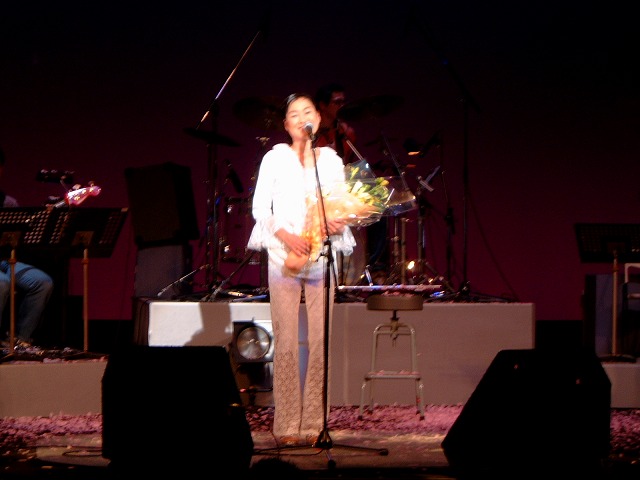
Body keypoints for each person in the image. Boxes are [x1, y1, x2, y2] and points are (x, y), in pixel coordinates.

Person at [247, 93, 355, 446]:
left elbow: (341, 204)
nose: (301, 118)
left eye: (307, 112)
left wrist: (339, 221)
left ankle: (314, 422)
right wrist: (285, 235)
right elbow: (260, 208)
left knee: (321, 340)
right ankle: (287, 424)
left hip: (321, 255)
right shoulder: (274, 158)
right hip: (284, 256)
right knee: (286, 340)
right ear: (285, 124)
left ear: (318, 120)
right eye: (293, 113)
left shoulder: (331, 161)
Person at [0, 146, 54, 351]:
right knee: (2, 283)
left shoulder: (8, 202)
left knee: (42, 282)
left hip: (4, 260)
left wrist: (41, 221)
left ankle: (19, 340)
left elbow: (21, 238)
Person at [314, 83, 357, 164]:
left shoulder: (347, 133)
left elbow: (348, 165)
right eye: (337, 102)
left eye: (343, 102)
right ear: (322, 105)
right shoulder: (309, 133)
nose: (342, 106)